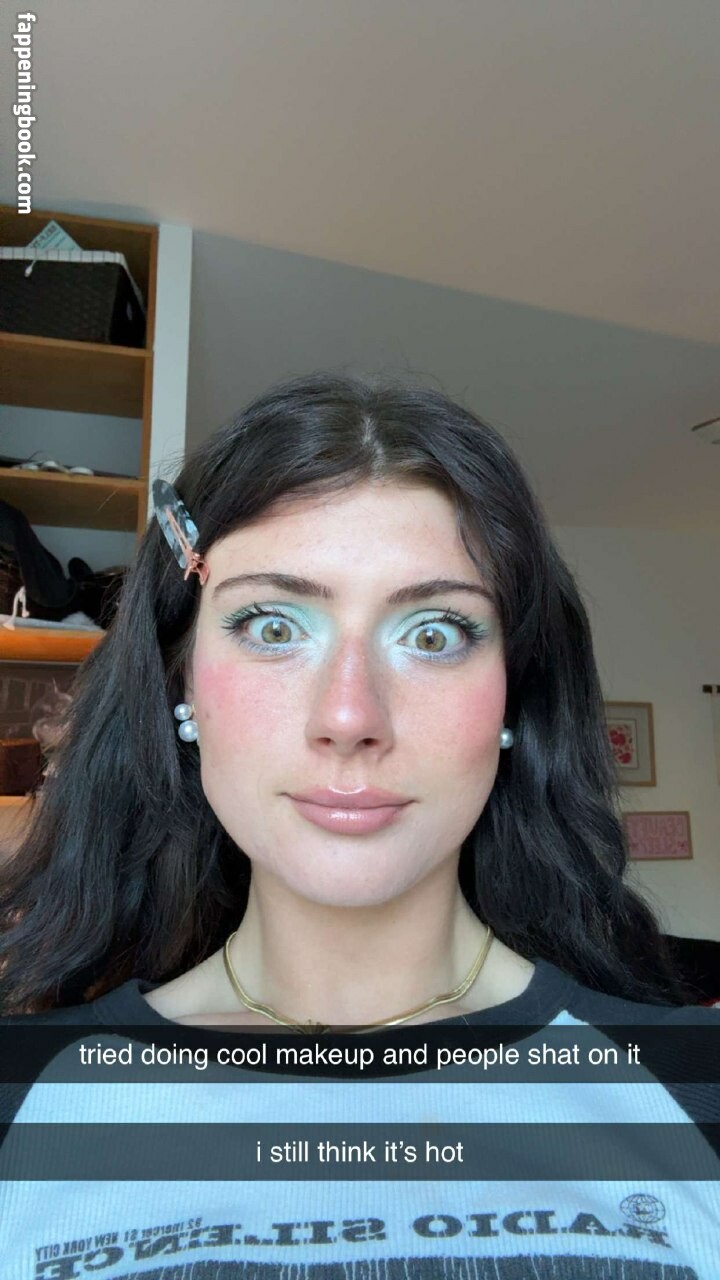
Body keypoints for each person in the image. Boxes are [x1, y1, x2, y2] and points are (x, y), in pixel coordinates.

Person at [0, 372, 717, 1279]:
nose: (348, 716)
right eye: (271, 626)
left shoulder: (691, 1085)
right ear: (180, 682)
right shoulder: (27, 1099)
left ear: (514, 696)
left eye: (433, 634)